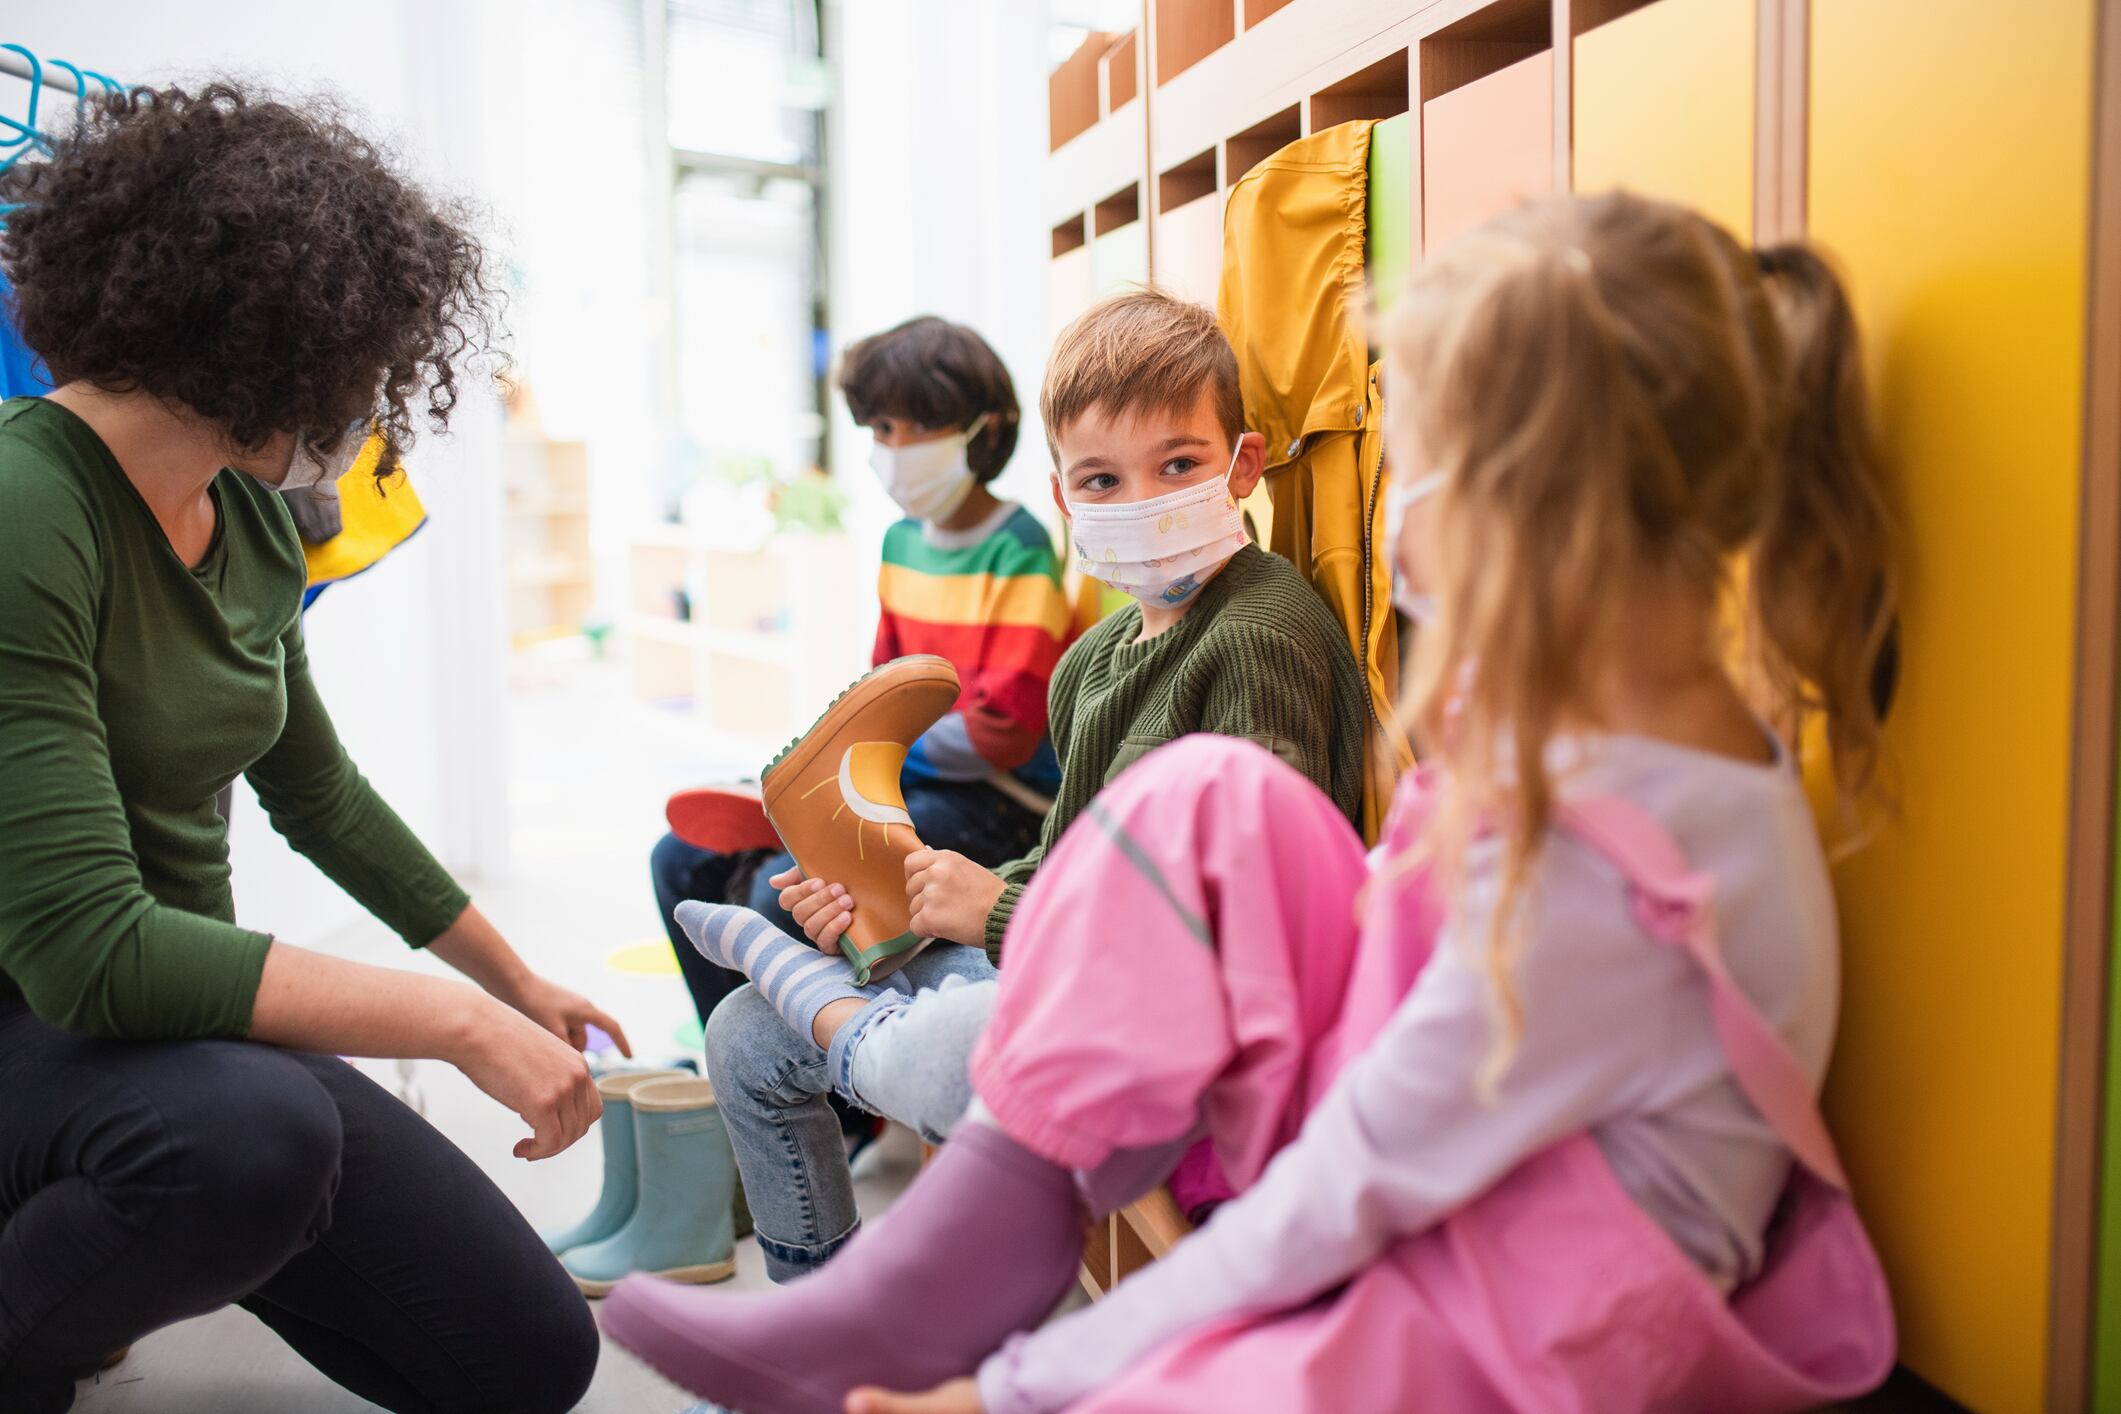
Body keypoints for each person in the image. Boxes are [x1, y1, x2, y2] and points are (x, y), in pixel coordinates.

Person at [600, 192, 1901, 1414]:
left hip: (1526, 1306)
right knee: (1200, 795)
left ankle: (877, 1160)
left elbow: (1353, 1184)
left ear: (1542, 507)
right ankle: (902, 1242)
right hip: (1435, 1148)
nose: (1407, 508)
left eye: (1429, 456)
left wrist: (1007, 1389)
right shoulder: (1592, 736)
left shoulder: (1600, 859)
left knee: (1127, 1312)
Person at [0, 84, 614, 1414]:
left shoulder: (248, 516)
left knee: (525, 1356)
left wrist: (512, 982)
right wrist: (449, 1023)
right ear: (270, 343)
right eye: (360, 366)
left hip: (171, 1026)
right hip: (35, 1020)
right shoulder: (22, 509)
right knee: (249, 1140)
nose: (367, 400)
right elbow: (86, 950)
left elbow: (316, 789)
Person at [686, 288, 1373, 1283]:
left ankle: (858, 1026)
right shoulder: (1094, 662)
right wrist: (914, 912)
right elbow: (1069, 867)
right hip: (1075, 972)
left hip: (1188, 1030)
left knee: (934, 1054)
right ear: (1063, 497)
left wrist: (998, 913)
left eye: (1177, 465)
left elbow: (1242, 931)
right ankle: (817, 1322)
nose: (1139, 501)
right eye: (1102, 477)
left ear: (1244, 465)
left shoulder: (1262, 638)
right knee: (742, 1032)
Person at [651, 316, 1068, 1041]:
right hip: (907, 780)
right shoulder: (899, 543)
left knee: (775, 893)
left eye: (918, 427)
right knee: (679, 860)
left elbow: (1000, 733)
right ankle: (735, 1068)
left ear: (981, 430)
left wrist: (853, 764)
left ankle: (838, 1096)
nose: (895, 450)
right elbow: (885, 690)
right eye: (880, 429)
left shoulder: (1019, 544)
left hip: (997, 799)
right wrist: (851, 762)